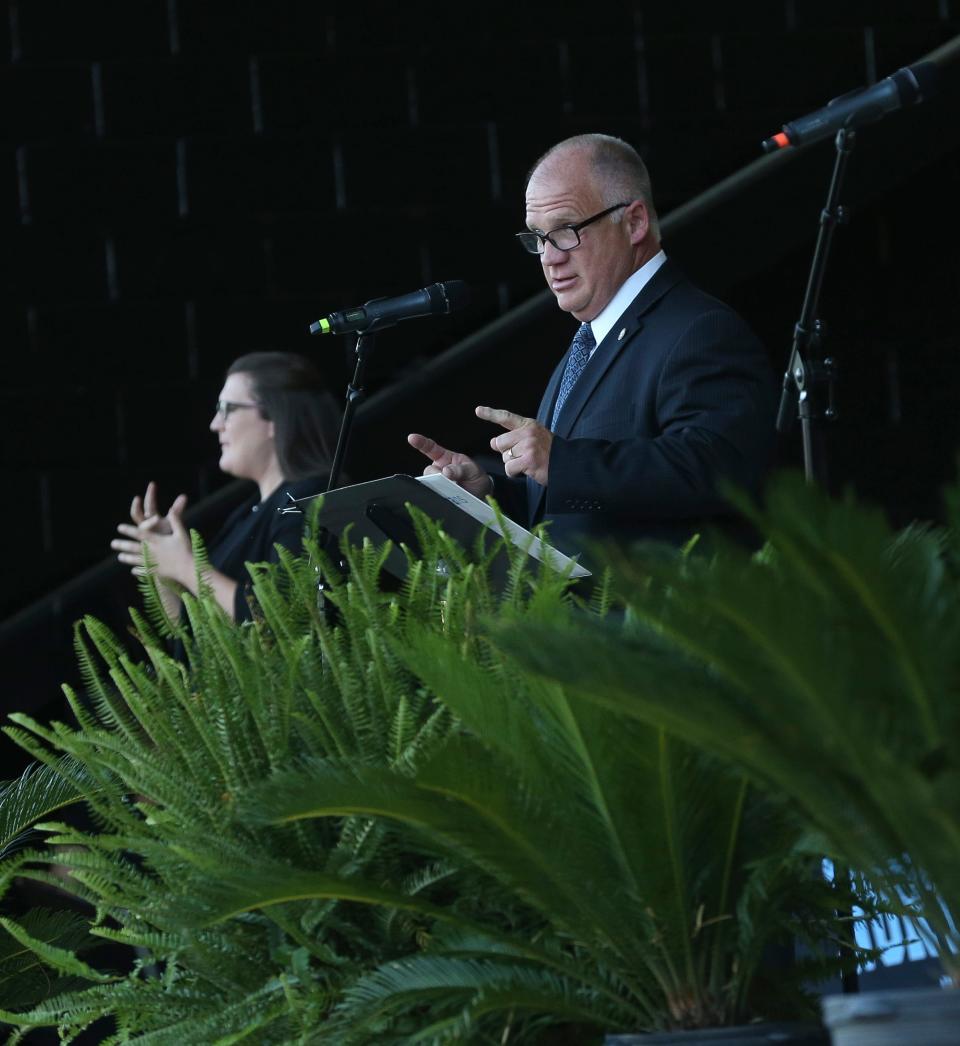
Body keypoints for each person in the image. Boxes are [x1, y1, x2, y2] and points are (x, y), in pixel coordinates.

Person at [408, 133, 776, 555]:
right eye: (537, 237)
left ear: (634, 222)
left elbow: (716, 473)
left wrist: (561, 463)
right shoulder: (588, 342)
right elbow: (572, 509)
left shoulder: (700, 330)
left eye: (565, 230)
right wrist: (489, 494)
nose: (549, 256)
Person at [112, 351, 339, 623]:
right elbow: (192, 641)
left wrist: (186, 566)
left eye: (227, 409)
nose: (215, 424)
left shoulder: (308, 498)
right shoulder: (249, 511)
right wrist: (164, 566)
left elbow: (284, 621)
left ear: (275, 417)